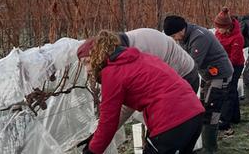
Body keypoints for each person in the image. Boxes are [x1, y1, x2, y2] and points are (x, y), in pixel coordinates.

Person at [77, 30, 205, 154]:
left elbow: (109, 120)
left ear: (98, 55)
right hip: (195, 114)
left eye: (87, 62)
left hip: (172, 119)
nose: (87, 69)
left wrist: (93, 150)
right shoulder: (138, 59)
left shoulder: (111, 73)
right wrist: (96, 138)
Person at [163, 15, 233, 154]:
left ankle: (210, 149)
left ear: (181, 29)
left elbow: (191, 65)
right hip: (208, 76)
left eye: (174, 35)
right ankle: (206, 144)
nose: (174, 38)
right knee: (202, 109)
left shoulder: (199, 37)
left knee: (210, 112)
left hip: (220, 75)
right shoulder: (184, 37)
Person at [213, 8, 245, 131]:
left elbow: (234, 58)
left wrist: (224, 70)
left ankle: (225, 121)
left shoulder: (237, 37)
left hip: (235, 65)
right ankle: (236, 117)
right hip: (224, 64)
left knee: (229, 90)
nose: (217, 30)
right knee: (232, 90)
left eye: (220, 27)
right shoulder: (218, 33)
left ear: (227, 26)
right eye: (216, 27)